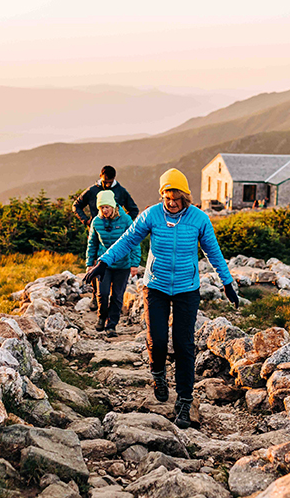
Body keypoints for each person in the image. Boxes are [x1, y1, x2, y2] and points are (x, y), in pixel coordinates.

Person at [85, 168, 239, 429]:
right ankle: (158, 375)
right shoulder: (152, 215)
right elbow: (129, 238)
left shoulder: (198, 219)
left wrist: (227, 283)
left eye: (175, 199)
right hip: (155, 287)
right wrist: (103, 261)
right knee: (157, 341)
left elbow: (213, 251)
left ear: (185, 198)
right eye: (167, 198)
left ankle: (184, 401)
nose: (171, 203)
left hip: (186, 290)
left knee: (184, 345)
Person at [85, 190, 139, 337]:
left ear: (113, 206)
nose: (104, 210)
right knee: (102, 293)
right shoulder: (96, 221)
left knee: (117, 296)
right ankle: (101, 317)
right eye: (101, 208)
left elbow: (134, 242)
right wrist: (90, 264)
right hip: (104, 265)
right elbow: (92, 244)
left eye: (107, 207)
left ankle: (111, 325)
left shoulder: (126, 220)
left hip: (123, 265)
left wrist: (134, 263)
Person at [73, 165, 139, 226]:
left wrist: (122, 221)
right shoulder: (92, 191)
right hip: (96, 230)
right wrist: (86, 221)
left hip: (117, 232)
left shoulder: (121, 191)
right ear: (100, 176)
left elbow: (134, 210)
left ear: (114, 178)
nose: (107, 185)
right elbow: (76, 206)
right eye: (105, 182)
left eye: (110, 182)